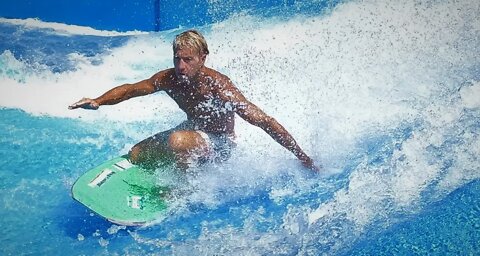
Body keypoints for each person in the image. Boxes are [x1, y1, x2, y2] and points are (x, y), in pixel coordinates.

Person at [69, 30, 318, 172]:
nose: (180, 66)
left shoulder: (219, 87)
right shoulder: (169, 78)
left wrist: (302, 156)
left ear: (203, 58)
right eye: (177, 59)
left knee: (177, 141)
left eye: (187, 60)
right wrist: (98, 100)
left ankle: (182, 190)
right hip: (192, 133)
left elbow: (264, 121)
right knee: (136, 155)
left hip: (221, 145)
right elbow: (132, 89)